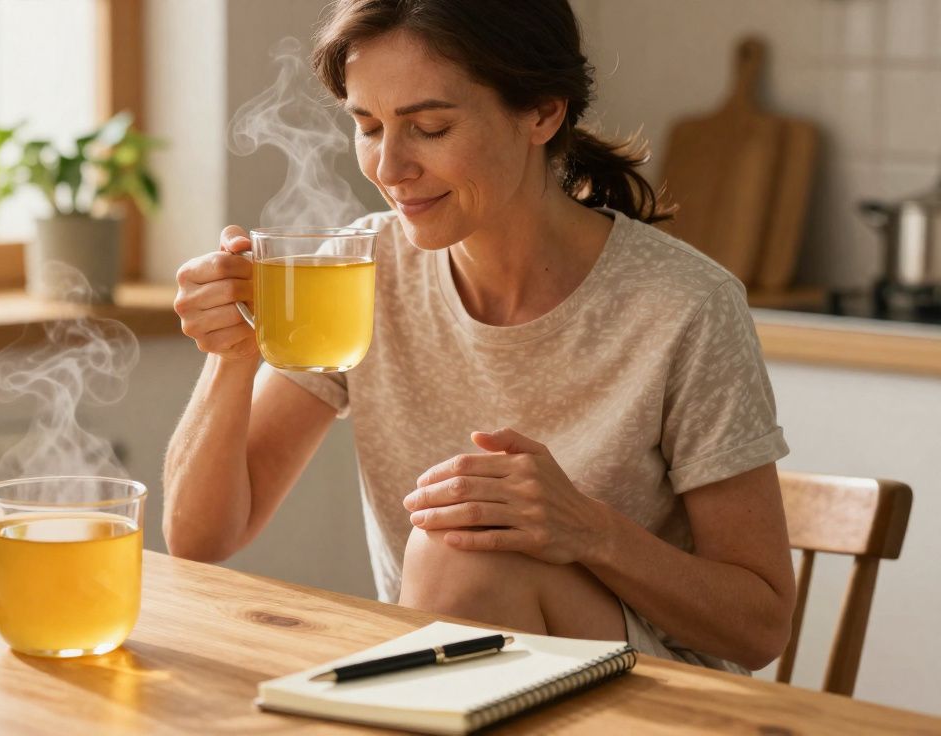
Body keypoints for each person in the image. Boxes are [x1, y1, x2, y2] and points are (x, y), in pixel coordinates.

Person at [163, 0, 795, 674]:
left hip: (658, 702)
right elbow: (201, 537)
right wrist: (231, 357)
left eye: (430, 127)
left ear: (542, 113)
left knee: (458, 549)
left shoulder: (685, 306)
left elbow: (758, 629)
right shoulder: (362, 272)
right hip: (446, 678)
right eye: (369, 126)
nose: (389, 167)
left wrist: (586, 531)